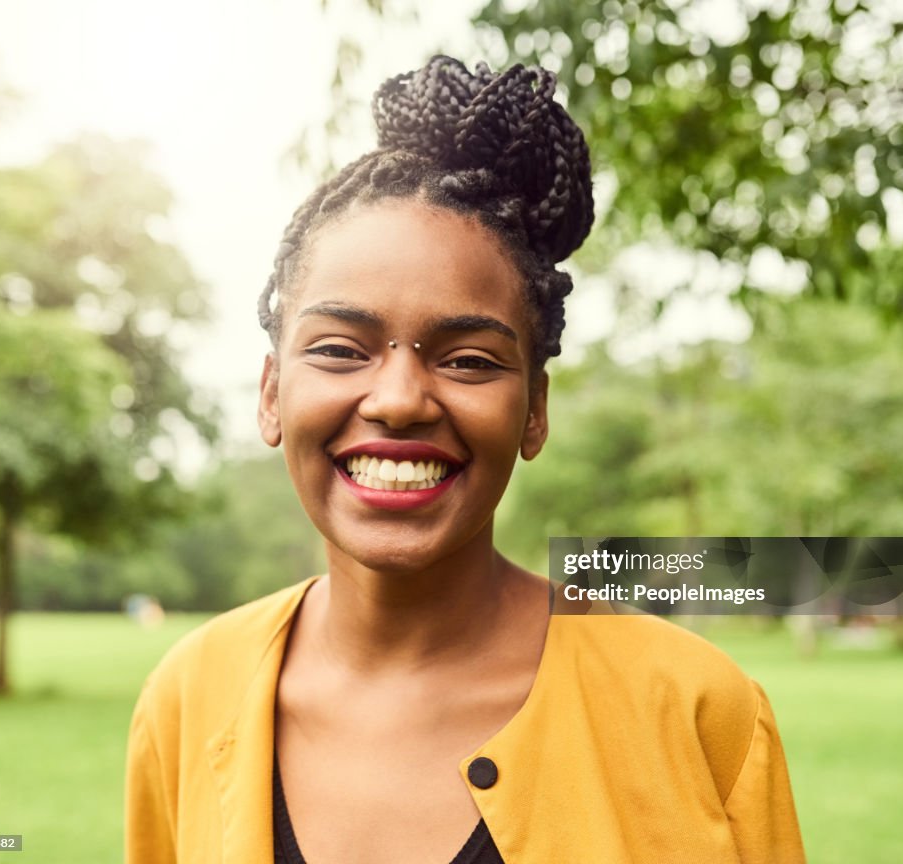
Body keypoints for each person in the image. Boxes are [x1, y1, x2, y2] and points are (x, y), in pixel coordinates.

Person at [125, 55, 805, 864]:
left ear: (535, 411)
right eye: (342, 349)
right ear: (272, 394)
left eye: (470, 360)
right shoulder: (190, 696)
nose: (401, 399)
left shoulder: (699, 713)